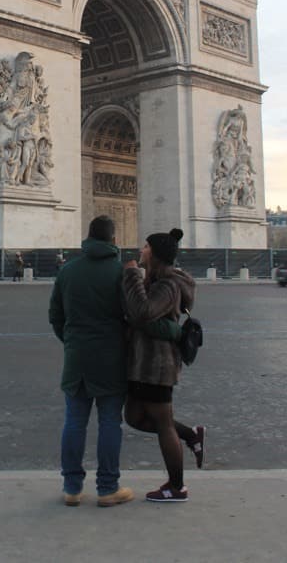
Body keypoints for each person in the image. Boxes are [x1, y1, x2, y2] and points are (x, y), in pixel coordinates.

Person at [49, 215, 182, 508]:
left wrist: (72, 342)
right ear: (113, 241)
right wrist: (173, 329)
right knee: (110, 422)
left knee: (74, 422)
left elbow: (55, 317)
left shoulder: (67, 271)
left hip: (76, 359)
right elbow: (138, 318)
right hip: (111, 360)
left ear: (88, 237)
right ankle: (108, 488)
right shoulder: (121, 273)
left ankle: (71, 488)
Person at [122, 227, 205, 503]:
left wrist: (132, 275)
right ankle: (191, 435)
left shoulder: (168, 285)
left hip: (157, 365)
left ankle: (177, 486)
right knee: (134, 416)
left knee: (163, 423)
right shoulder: (157, 280)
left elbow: (143, 312)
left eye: (146, 246)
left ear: (155, 254)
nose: (141, 249)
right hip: (142, 363)